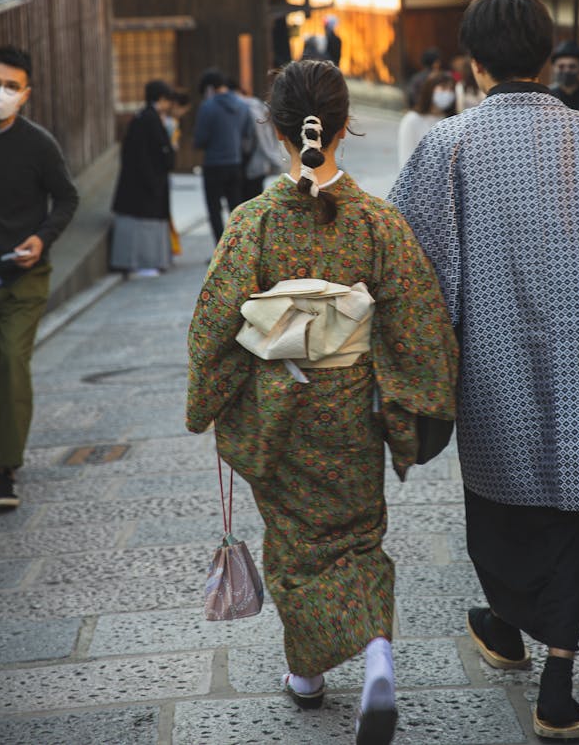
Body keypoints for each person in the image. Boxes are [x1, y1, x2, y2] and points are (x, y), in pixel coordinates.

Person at [389, 0, 579, 741]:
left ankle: (512, 630)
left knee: (497, 510)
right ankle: (555, 681)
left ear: (475, 63)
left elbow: (407, 267)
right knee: (569, 517)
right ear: (548, 56)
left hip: (489, 370)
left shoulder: (447, 146)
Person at [187, 59, 458, 745]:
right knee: (358, 535)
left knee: (297, 542)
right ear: (344, 126)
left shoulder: (254, 223)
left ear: (278, 131)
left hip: (279, 407)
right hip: (353, 405)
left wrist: (211, 394)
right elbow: (421, 319)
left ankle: (307, 675)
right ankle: (377, 655)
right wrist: (412, 399)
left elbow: (214, 324)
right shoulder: (377, 222)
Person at [0, 45, 79, 510]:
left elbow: (67, 199)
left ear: (25, 94)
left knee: (10, 359)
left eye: (11, 86)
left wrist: (41, 238)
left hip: (24, 273)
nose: (3, 93)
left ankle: (5, 467)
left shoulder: (38, 144)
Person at [110, 79, 175, 277]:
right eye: (167, 100)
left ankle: (142, 263)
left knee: (139, 223)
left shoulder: (141, 118)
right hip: (147, 183)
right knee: (145, 224)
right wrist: (154, 180)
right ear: (161, 99)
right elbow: (155, 153)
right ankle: (145, 263)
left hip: (137, 182)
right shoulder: (150, 120)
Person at [193, 68, 256, 243]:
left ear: (209, 89)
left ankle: (220, 250)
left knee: (214, 210)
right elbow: (248, 133)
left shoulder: (207, 107)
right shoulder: (242, 105)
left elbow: (200, 140)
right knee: (235, 208)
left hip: (213, 164)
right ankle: (238, 247)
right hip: (235, 163)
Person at [397, 70, 456, 168]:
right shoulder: (412, 121)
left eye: (451, 89)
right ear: (430, 90)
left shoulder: (452, 120)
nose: (448, 93)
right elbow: (406, 161)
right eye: (443, 88)